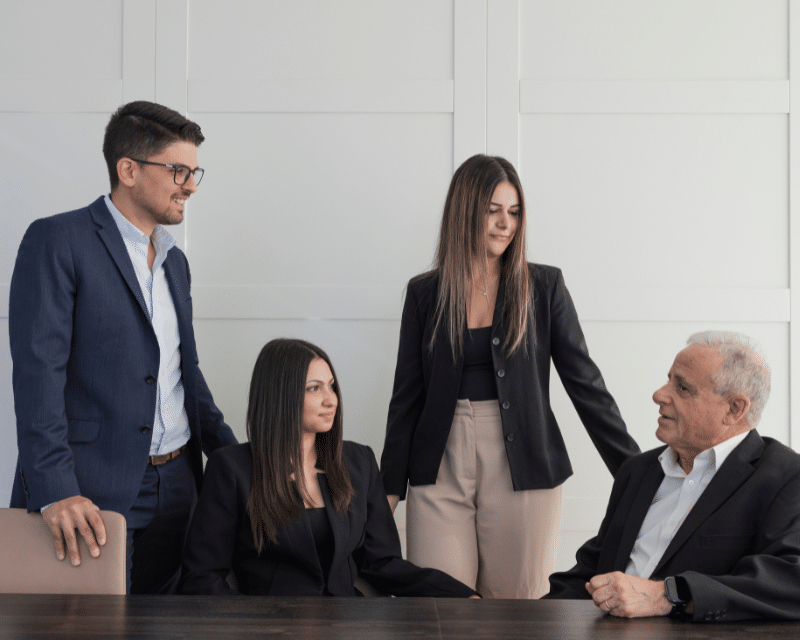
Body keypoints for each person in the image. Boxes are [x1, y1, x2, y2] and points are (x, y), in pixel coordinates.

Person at [379, 154, 640, 599]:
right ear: (465, 212)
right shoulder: (425, 293)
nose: (506, 224)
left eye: (514, 212)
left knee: (518, 611)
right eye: (492, 211)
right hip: (438, 464)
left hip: (524, 466)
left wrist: (638, 474)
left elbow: (585, 385)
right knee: (438, 606)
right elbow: (407, 396)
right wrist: (387, 491)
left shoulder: (543, 287)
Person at [8, 101, 237, 593]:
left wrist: (237, 458)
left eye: (195, 171)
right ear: (128, 170)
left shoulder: (175, 263)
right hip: (89, 491)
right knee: (89, 627)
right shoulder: (58, 240)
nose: (191, 184)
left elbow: (182, 374)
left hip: (179, 485)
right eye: (178, 169)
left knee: (166, 623)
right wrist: (54, 490)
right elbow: (37, 374)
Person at [180, 338, 478, 598]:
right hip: (271, 629)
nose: (331, 400)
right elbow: (202, 578)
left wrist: (461, 595)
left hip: (346, 625)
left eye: (332, 387)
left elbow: (383, 564)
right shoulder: (232, 469)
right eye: (314, 388)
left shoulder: (358, 462)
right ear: (280, 395)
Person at [544, 331, 800, 622]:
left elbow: (793, 579)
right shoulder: (638, 470)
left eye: (683, 388)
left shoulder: (785, 476)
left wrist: (668, 595)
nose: (659, 394)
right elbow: (590, 573)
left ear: (734, 409)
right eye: (669, 379)